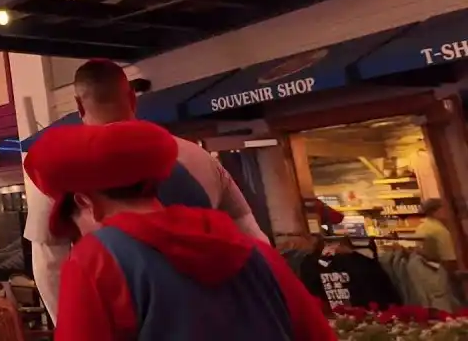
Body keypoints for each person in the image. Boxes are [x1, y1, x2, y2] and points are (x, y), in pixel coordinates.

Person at [25, 119, 335, 341]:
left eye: (73, 224)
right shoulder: (255, 251)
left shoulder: (97, 259)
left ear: (85, 202)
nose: (79, 235)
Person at [25, 59, 268, 322]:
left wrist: (70, 325)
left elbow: (49, 266)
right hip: (216, 316)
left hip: (127, 319)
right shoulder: (197, 157)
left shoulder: (59, 168)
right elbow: (254, 240)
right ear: (132, 96)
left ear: (79, 105)